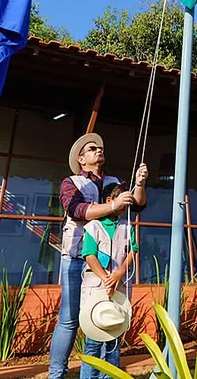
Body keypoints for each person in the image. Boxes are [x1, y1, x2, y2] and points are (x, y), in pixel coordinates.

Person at [49, 133, 147, 379]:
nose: (98, 150)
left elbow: (137, 204)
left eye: (99, 148)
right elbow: (76, 210)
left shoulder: (115, 182)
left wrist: (140, 184)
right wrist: (113, 206)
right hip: (75, 257)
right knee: (70, 319)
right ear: (81, 159)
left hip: (113, 264)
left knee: (110, 317)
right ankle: (56, 374)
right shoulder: (71, 182)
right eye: (92, 149)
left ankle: (104, 372)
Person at [78, 183, 137, 379]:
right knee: (93, 340)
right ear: (109, 201)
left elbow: (132, 252)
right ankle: (89, 376)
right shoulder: (93, 226)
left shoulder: (128, 227)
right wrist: (106, 278)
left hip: (119, 288)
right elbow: (89, 255)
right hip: (96, 287)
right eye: (122, 201)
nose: (125, 207)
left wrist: (119, 274)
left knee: (114, 336)